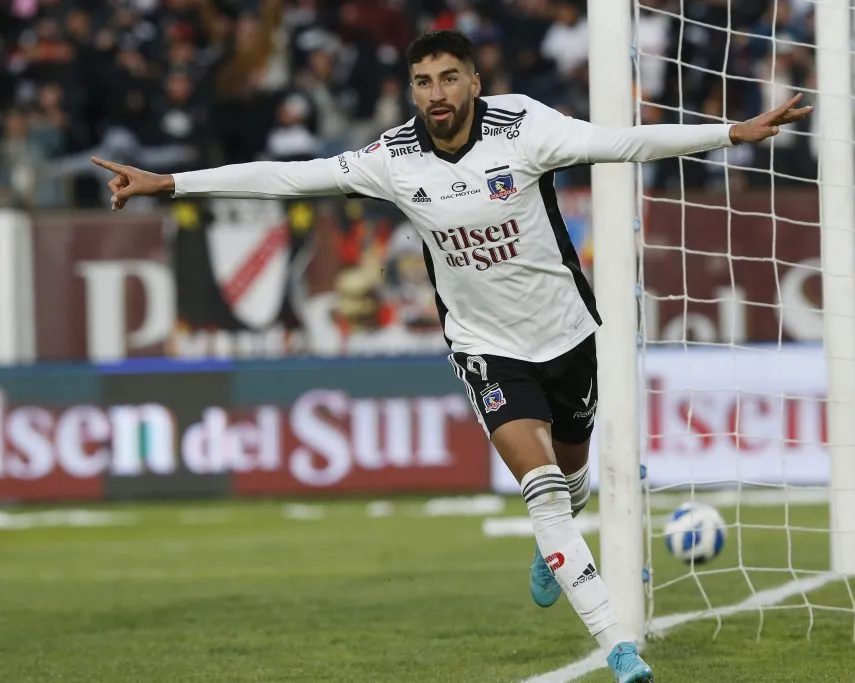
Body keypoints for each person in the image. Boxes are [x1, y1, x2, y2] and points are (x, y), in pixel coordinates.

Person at [91, 29, 811, 683]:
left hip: (566, 334)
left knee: (572, 474)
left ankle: (552, 547)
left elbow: (622, 142)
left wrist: (733, 132)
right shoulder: (393, 158)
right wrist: (171, 183)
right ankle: (620, 646)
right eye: (423, 82)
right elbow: (291, 176)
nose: (435, 94)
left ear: (474, 82)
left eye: (447, 79)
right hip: (485, 347)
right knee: (542, 490)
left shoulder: (524, 126)